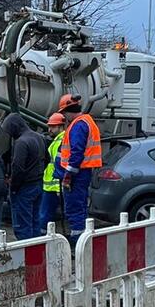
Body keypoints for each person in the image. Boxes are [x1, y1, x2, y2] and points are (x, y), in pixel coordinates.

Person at [57, 94, 102, 246]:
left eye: (64, 113)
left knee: (74, 209)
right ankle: (84, 242)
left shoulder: (78, 125)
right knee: (81, 208)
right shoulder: (86, 122)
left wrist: (68, 174)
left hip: (77, 174)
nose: (64, 116)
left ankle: (77, 243)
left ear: (68, 110)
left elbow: (76, 153)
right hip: (83, 172)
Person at [3, 113, 46, 240]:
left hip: (24, 188)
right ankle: (36, 254)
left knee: (23, 226)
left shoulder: (21, 142)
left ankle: (26, 256)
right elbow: (47, 159)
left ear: (15, 127)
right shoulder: (40, 137)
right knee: (35, 221)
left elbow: (18, 168)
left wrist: (14, 187)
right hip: (38, 184)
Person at [37, 113, 66, 235]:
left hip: (54, 185)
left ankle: (42, 239)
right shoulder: (58, 140)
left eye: (53, 127)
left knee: (45, 215)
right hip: (52, 184)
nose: (49, 130)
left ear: (61, 127)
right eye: (49, 126)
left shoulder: (62, 140)